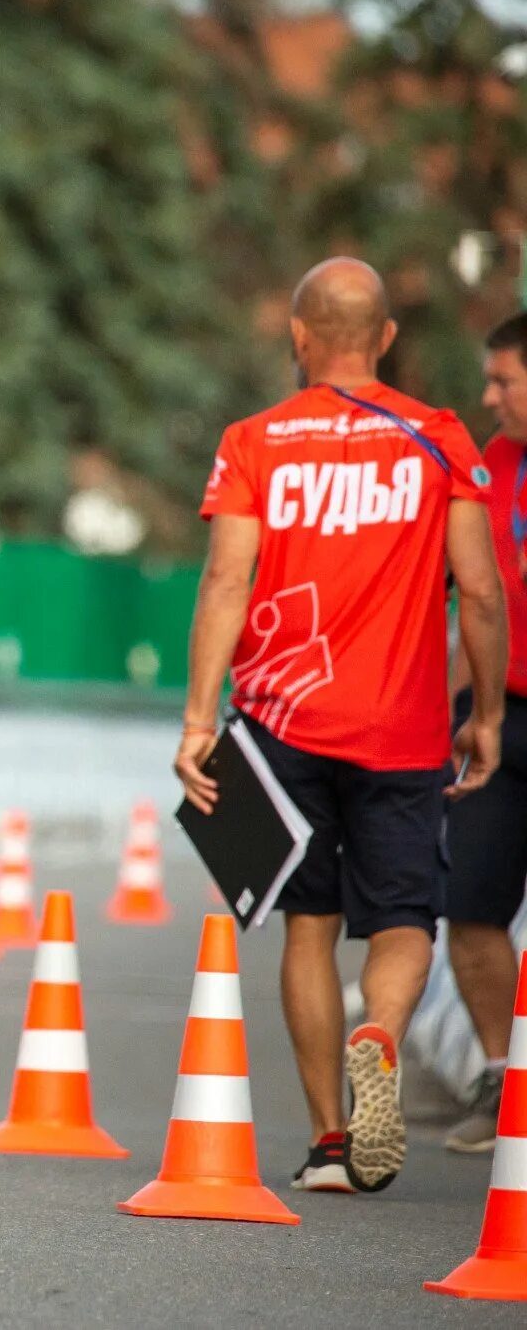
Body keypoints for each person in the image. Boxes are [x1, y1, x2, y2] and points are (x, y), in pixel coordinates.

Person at [175, 257, 506, 1195]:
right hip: (401, 731)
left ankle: (329, 1143)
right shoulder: (440, 440)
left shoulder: (253, 443)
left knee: (308, 927)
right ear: (388, 339)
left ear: (299, 335)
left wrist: (201, 720)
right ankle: (381, 1034)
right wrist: (483, 714)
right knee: (404, 920)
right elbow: (479, 594)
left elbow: (225, 583)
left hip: (280, 727)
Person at [440, 311, 527, 1152]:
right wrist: (449, 715)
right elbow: (475, 602)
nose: (488, 396)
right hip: (499, 717)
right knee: (468, 903)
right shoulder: (488, 467)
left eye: (504, 380)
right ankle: (505, 1079)